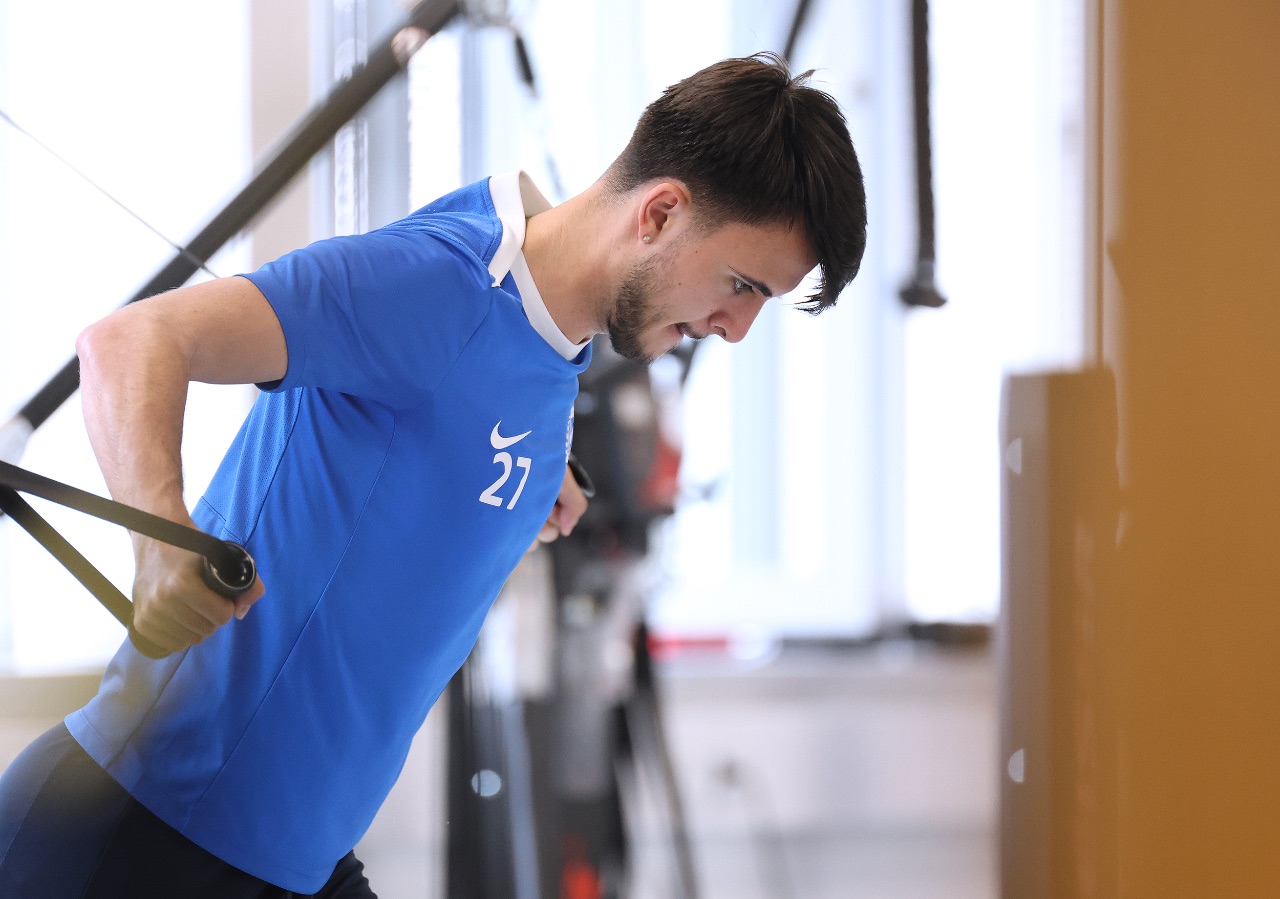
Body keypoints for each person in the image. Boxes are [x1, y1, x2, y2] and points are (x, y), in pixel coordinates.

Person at [0, 52, 866, 897]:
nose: (736, 328)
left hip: (293, 857)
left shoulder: (552, 332)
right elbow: (131, 340)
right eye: (743, 284)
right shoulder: (440, 282)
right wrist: (160, 538)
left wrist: (521, 477)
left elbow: (449, 406)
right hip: (144, 831)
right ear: (661, 213)